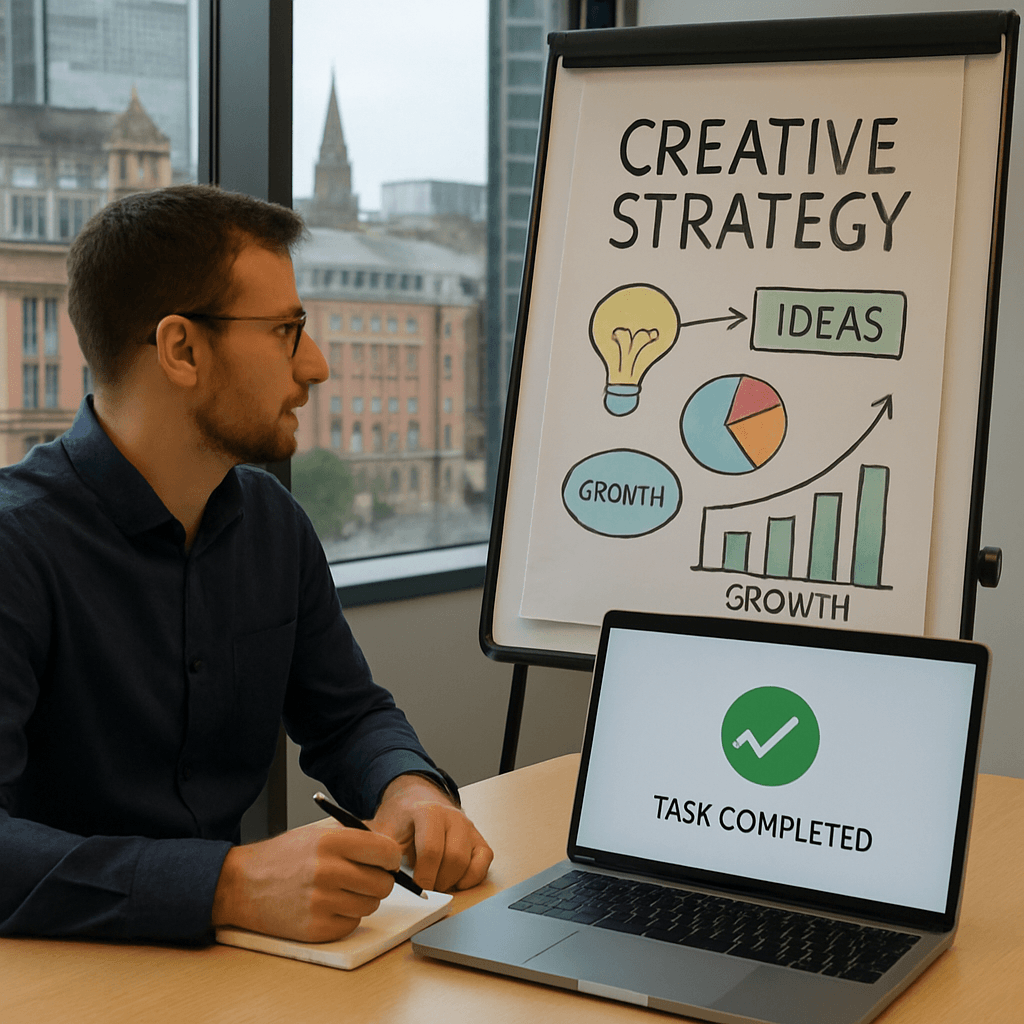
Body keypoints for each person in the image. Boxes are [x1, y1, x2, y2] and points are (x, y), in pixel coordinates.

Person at [0, 184, 492, 945]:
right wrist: (227, 885)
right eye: (287, 331)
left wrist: (409, 789)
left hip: (235, 976)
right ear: (181, 349)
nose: (318, 366)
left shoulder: (272, 524)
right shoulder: (15, 547)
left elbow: (349, 714)